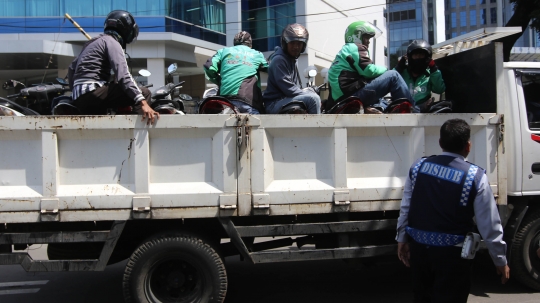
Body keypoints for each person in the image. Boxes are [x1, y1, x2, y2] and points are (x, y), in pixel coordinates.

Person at [396, 118, 510, 303]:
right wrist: (500, 260)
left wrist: (402, 238)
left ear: (440, 143)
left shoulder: (417, 168)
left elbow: (406, 207)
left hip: (420, 253)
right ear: (468, 146)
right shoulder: (475, 176)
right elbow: (489, 224)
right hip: (453, 258)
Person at [68, 10, 159, 124]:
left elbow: (71, 69)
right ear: (126, 30)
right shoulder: (112, 42)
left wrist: (77, 92)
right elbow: (123, 76)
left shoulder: (91, 43)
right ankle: (134, 135)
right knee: (145, 93)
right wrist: (143, 102)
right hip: (94, 92)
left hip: (79, 98)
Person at [326, 21, 413, 113]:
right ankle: (413, 110)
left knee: (384, 102)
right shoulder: (354, 47)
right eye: (366, 37)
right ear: (356, 36)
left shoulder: (344, 51)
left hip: (342, 98)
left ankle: (381, 108)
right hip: (351, 96)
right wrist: (387, 70)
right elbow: (369, 71)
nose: (368, 42)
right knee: (393, 76)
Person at [203, 31, 268, 114]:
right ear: (250, 45)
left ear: (234, 43)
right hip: (248, 101)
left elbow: (209, 67)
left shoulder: (223, 51)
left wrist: (219, 81)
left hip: (225, 102)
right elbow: (272, 69)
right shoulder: (257, 54)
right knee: (257, 124)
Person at [263, 23, 321, 114]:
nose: (296, 47)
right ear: (285, 43)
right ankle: (317, 128)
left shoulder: (290, 59)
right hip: (274, 104)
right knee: (313, 99)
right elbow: (290, 90)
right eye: (292, 43)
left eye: (299, 43)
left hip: (284, 100)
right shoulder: (279, 60)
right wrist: (309, 93)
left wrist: (309, 91)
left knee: (311, 93)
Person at [394, 39, 446, 112]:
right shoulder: (402, 73)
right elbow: (390, 81)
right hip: (403, 109)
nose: (418, 58)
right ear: (410, 57)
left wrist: (434, 69)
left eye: (421, 55)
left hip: (423, 111)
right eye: (415, 55)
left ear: (427, 58)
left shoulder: (430, 74)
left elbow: (439, 90)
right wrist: (398, 67)